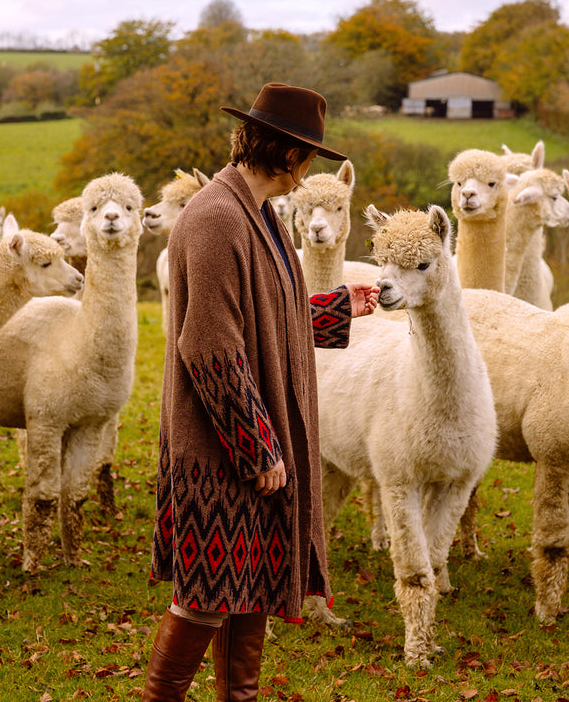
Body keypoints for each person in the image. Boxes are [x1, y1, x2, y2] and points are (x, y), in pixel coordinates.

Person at [142, 82, 379, 702]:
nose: (305, 175)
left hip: (247, 447)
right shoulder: (218, 218)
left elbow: (260, 314)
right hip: (219, 456)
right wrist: (259, 448)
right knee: (202, 600)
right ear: (289, 154)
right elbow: (210, 346)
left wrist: (332, 310)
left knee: (247, 594)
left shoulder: (257, 214)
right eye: (307, 159)